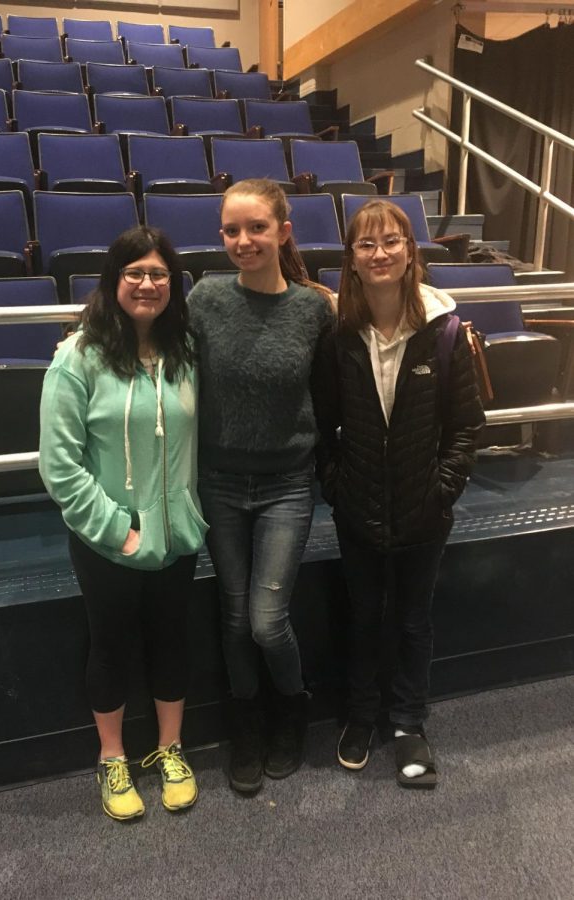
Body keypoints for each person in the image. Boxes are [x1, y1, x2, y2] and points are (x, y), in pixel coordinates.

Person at [312, 199, 485, 789]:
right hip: (356, 508)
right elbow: (323, 427)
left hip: (423, 511)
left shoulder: (446, 330)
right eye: (366, 244)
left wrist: (442, 490)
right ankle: (362, 716)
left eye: (392, 241)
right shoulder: (338, 338)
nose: (380, 253)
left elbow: (466, 425)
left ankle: (409, 722)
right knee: (364, 617)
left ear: (411, 252)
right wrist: (336, 488)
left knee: (413, 621)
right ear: (352, 261)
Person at [39, 226, 207, 820]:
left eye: (158, 273)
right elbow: (59, 466)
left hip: (178, 534)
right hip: (107, 539)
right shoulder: (76, 356)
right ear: (113, 282)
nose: (146, 284)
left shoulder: (186, 348)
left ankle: (170, 749)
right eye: (134, 273)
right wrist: (118, 529)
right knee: (109, 646)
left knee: (171, 639)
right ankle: (112, 758)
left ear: (172, 284)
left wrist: (186, 513)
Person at [187, 178, 335, 794]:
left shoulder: (313, 308)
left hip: (286, 485)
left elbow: (329, 393)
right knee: (233, 615)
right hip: (219, 481)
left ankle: (291, 712)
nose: (243, 240)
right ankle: (244, 726)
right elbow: (142, 331)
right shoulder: (203, 298)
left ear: (283, 232)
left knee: (267, 620)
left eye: (256, 228)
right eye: (231, 230)